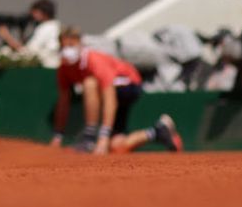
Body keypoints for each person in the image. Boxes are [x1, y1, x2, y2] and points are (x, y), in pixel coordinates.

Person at [51, 27, 182, 154]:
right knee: (116, 147)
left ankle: (88, 138)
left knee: (89, 83)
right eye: (64, 46)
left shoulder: (94, 59)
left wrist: (103, 137)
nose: (67, 50)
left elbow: (110, 97)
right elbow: (64, 101)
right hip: (112, 96)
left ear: (80, 44)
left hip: (129, 84)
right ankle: (158, 131)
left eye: (71, 45)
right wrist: (58, 135)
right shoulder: (64, 68)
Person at [0, 0, 62, 67]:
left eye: (35, 12)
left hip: (45, 68)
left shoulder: (47, 28)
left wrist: (7, 37)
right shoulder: (54, 26)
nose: (32, 15)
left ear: (44, 13)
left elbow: (29, 52)